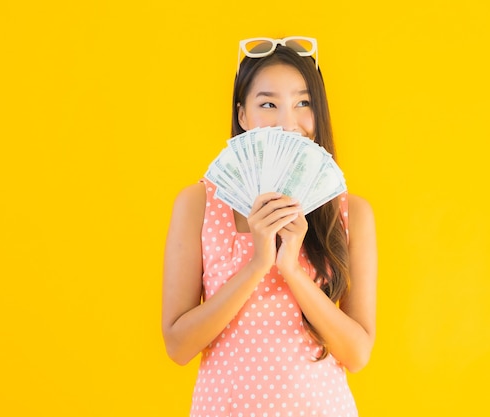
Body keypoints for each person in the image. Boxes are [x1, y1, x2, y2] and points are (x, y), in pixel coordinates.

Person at [162, 36, 378, 417]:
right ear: (242, 115)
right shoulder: (198, 205)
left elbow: (357, 353)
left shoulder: (351, 213)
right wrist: (258, 263)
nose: (287, 121)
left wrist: (291, 269)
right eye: (268, 104)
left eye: (303, 103)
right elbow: (178, 346)